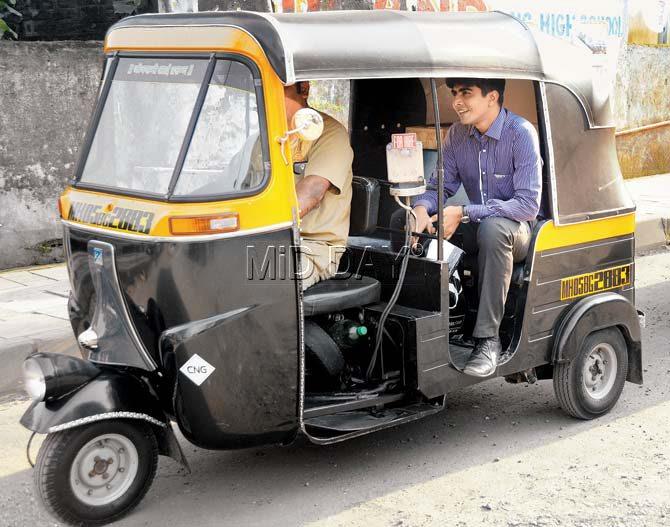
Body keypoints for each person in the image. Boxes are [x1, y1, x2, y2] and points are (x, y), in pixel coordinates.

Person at [407, 78, 542, 377]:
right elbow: (438, 187)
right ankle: (424, 328)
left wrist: (464, 212)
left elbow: (528, 205)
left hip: (516, 231)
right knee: (404, 223)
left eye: (466, 93)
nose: (457, 101)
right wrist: (419, 209)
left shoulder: (520, 134)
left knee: (493, 229)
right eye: (455, 93)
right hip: (477, 224)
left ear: (492, 97)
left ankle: (488, 341)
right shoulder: (457, 135)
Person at [284, 81, 354, 290]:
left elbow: (312, 191)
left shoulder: (329, 133)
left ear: (303, 89)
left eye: (276, 90)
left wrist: (257, 224)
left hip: (313, 248)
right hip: (268, 241)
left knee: (264, 277)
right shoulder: (264, 138)